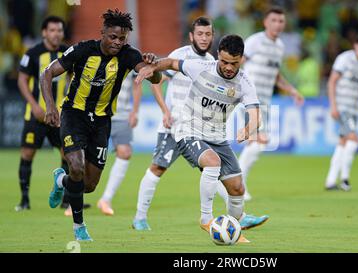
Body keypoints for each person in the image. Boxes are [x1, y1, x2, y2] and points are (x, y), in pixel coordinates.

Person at [40, 9, 161, 241]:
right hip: (74, 115)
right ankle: (79, 228)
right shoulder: (83, 50)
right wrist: (50, 107)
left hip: (102, 121)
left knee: (88, 185)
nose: (117, 42)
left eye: (121, 38)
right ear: (103, 33)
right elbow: (47, 73)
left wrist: (152, 68)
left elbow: (152, 77)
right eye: (112, 37)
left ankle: (59, 180)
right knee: (76, 166)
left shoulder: (129, 55)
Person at [135, 34, 269, 243]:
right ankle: (206, 218)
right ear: (218, 56)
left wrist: (248, 128)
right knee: (212, 162)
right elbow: (171, 62)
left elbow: (255, 114)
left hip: (218, 138)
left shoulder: (244, 82)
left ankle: (233, 228)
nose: (228, 67)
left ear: (241, 59)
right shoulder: (200, 67)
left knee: (237, 188)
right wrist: (153, 68)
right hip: (188, 131)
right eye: (224, 61)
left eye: (233, 63)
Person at [132, 16, 225, 230]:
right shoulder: (179, 56)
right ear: (191, 36)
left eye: (208, 34)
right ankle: (139, 218)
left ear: (212, 36)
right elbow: (156, 81)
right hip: (174, 127)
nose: (204, 38)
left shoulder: (212, 60)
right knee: (157, 168)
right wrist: (165, 111)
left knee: (213, 169)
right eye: (200, 34)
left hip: (197, 128)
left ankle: (239, 214)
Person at [237, 7, 304, 201]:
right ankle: (237, 186)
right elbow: (237, 63)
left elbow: (276, 75)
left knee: (257, 143)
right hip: (248, 99)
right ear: (265, 22)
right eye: (274, 20)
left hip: (264, 102)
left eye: (281, 21)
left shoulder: (279, 47)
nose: (278, 24)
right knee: (258, 141)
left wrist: (292, 91)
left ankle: (235, 185)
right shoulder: (255, 41)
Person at [16, 16, 69, 212]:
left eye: (59, 30)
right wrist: (34, 105)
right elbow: (22, 81)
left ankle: (66, 199)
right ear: (44, 32)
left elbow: (74, 78)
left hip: (60, 116)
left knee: (68, 154)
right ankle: (24, 200)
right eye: (52, 30)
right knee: (28, 153)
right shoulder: (32, 53)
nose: (56, 34)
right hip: (35, 115)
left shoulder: (67, 52)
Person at [325, 34, 358, 191]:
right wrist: (333, 105)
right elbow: (332, 81)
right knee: (353, 140)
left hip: (354, 107)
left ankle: (330, 180)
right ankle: (345, 179)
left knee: (343, 142)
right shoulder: (344, 59)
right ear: (356, 45)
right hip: (342, 106)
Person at [94, 72, 142, 216]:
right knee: (85, 157)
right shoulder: (93, 52)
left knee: (125, 152)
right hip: (97, 113)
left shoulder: (129, 54)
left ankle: (106, 199)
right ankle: (75, 199)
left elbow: (137, 84)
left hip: (122, 114)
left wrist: (135, 112)